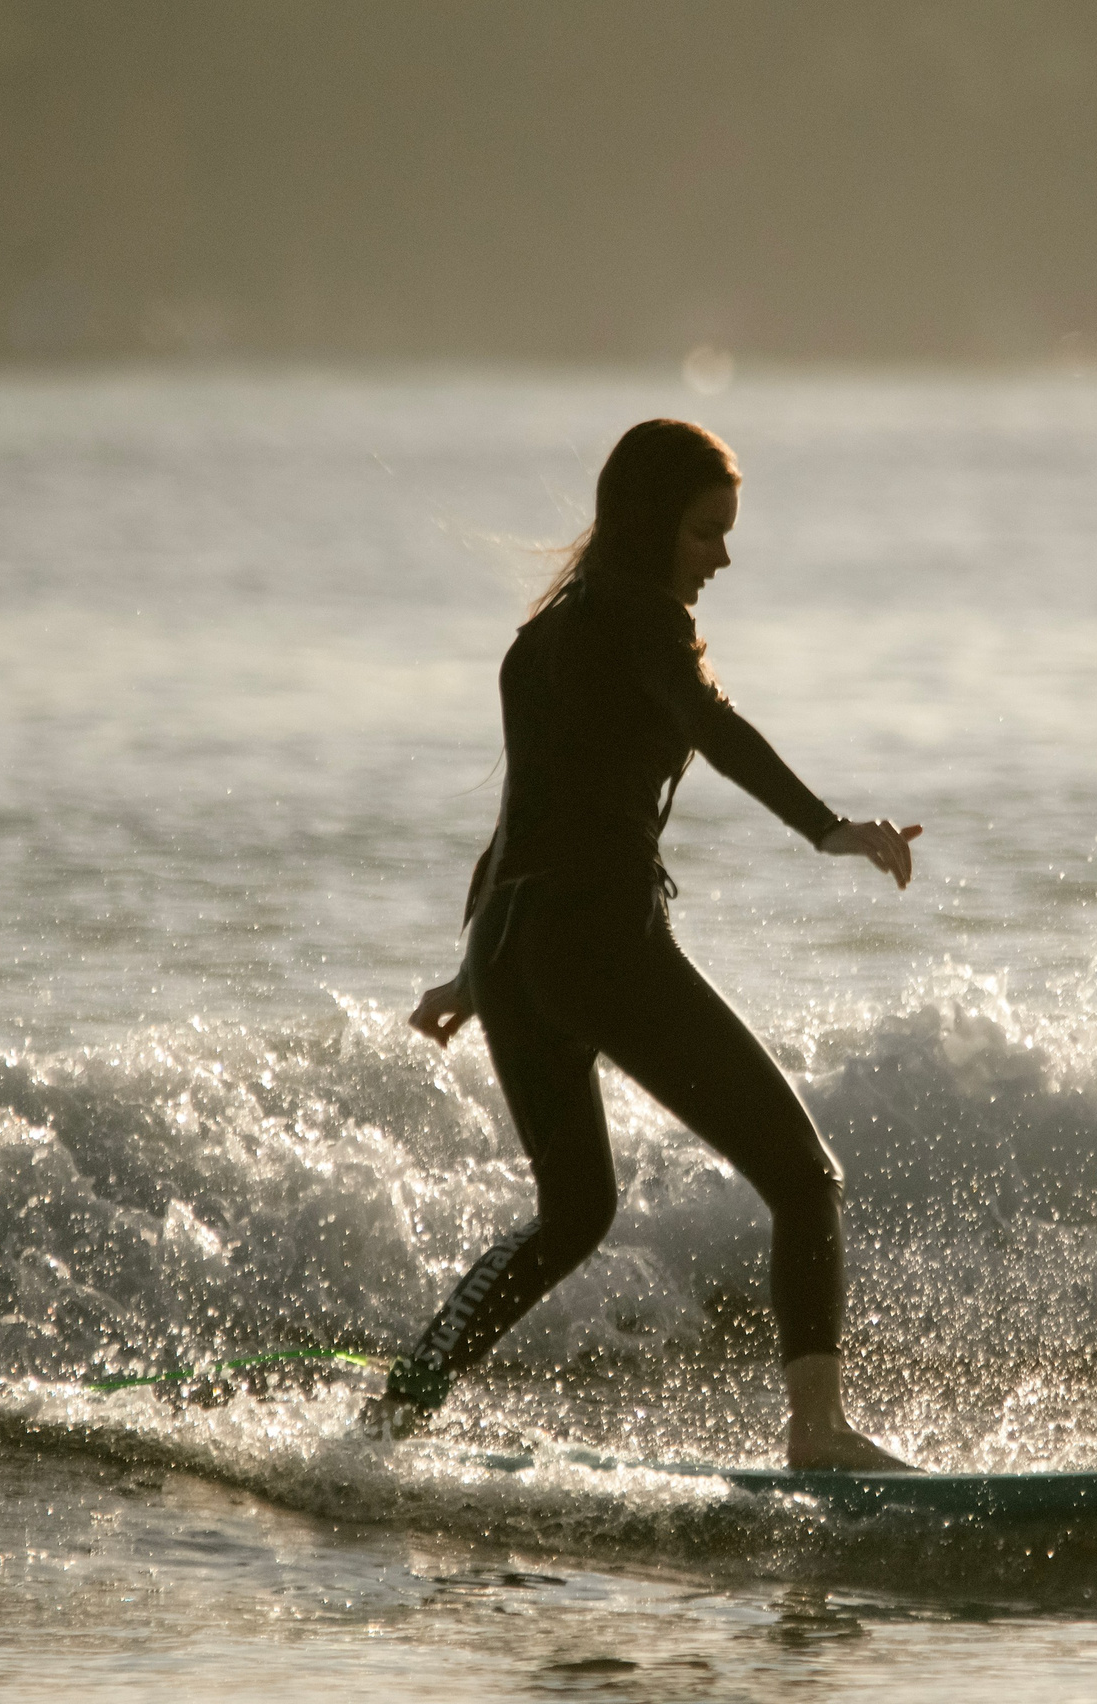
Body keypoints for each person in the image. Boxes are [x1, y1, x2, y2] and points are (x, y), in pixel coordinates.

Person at [369, 418, 921, 1472]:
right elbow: (714, 728)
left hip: (513, 947)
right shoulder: (643, 623)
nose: (721, 556)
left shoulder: (545, 634)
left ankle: (394, 1415)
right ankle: (818, 1433)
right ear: (651, 521)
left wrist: (472, 969)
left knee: (572, 1213)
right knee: (805, 1179)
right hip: (597, 938)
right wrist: (830, 828)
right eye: (707, 532)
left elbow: (519, 814)